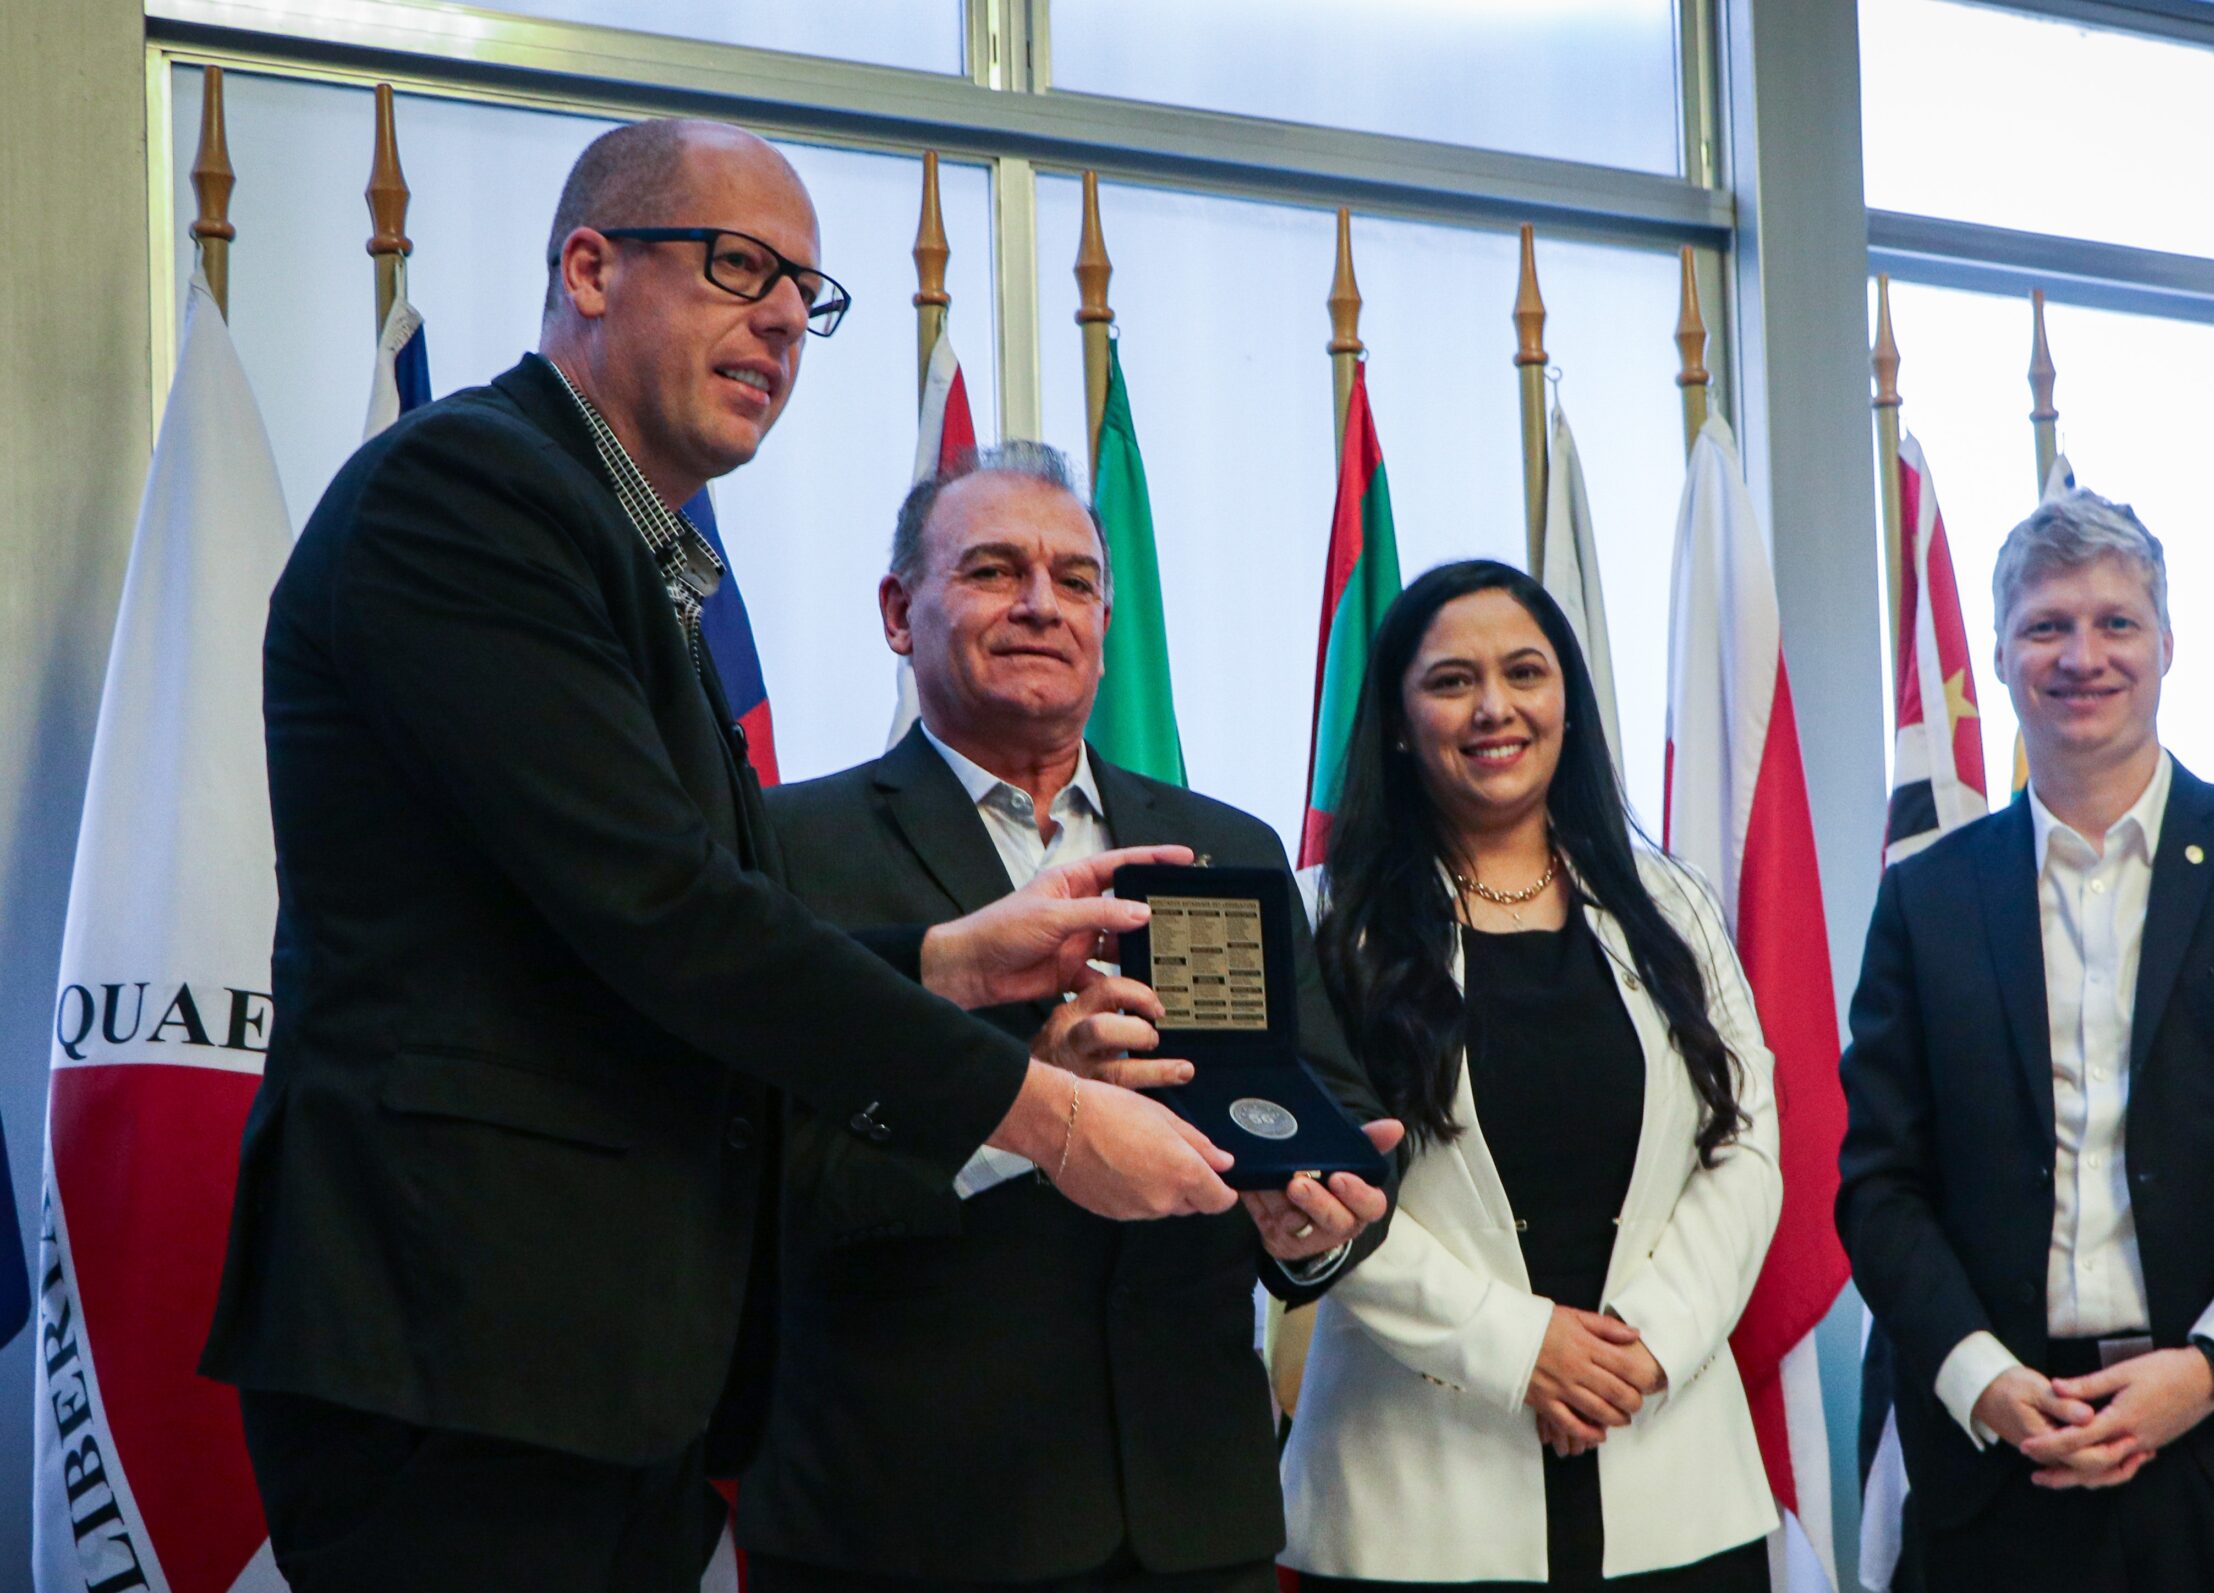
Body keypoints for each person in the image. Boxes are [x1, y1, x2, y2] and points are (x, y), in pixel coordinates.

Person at [200, 119, 1238, 1591]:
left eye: (804, 295)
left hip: (599, 1363)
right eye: (738, 266)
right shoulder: (470, 496)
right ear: (590, 266)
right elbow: (658, 913)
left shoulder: (636, 549)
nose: (779, 322)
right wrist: (1052, 1118)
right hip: (459, 1342)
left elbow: (648, 927)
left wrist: (947, 958)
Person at [737, 442, 1401, 1593]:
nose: (1041, 605)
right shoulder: (783, 852)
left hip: (1192, 1523)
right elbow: (753, 1176)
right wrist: (1024, 1099)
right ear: (900, 613)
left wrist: (1314, 1224)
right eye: (994, 570)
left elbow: (1329, 1107)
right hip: (905, 1524)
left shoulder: (1222, 848)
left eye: (1076, 580)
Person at [1835, 490, 2214, 1591]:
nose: (2080, 655)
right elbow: (1878, 1186)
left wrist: (2207, 1367)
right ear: (2001, 657)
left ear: (2164, 645)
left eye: (2114, 622)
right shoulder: (1927, 901)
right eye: (2045, 625)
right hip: (2006, 1463)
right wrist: (1979, 1378)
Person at [1280, 560, 1782, 1592]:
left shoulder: (1669, 904)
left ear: (1568, 702)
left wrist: (1640, 1349)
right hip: (1411, 1503)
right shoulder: (1324, 920)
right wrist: (1517, 1348)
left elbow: (1747, 1147)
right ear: (1395, 720)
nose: (1494, 708)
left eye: (1524, 672)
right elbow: (1316, 1191)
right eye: (1451, 681)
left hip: (1673, 1485)